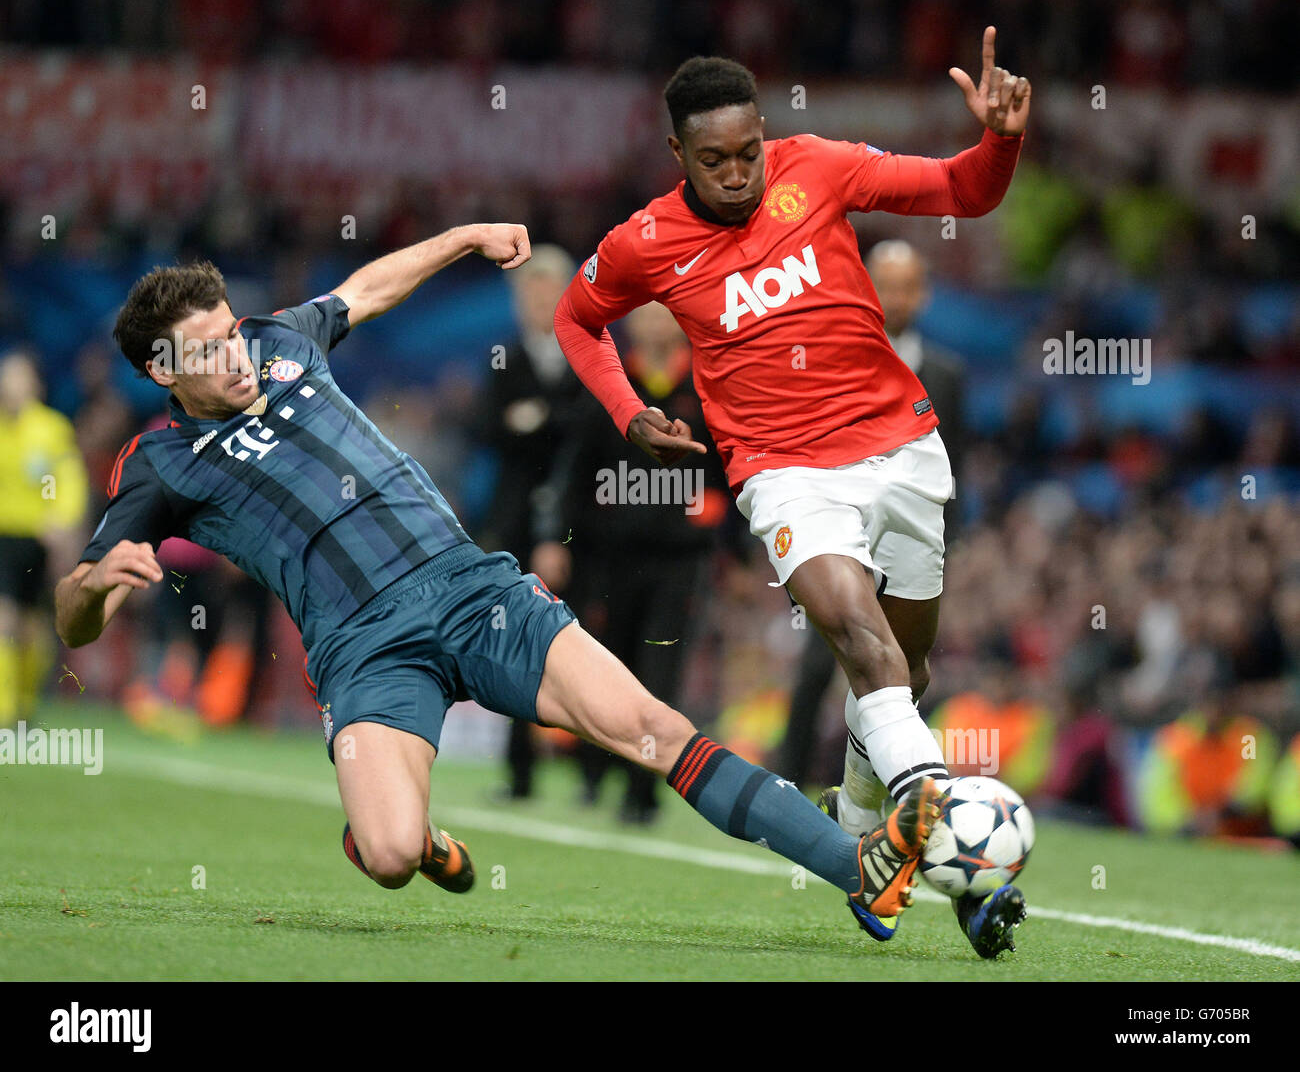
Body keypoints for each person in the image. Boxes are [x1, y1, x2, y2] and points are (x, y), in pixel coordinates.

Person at [53, 224, 942, 933]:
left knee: (654, 728)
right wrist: (95, 588)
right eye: (206, 352)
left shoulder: (280, 339)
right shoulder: (160, 466)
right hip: (364, 652)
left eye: (228, 331)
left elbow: (367, 288)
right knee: (393, 852)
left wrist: (461, 238)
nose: (234, 355)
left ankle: (853, 866)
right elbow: (72, 616)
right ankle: (410, 834)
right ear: (162, 372)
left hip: (474, 591)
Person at [553, 27, 1030, 956]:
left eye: (747, 152)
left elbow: (963, 191)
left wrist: (999, 140)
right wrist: (627, 410)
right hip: (783, 473)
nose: (736, 174)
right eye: (713, 159)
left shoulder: (821, 167)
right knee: (862, 642)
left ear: (767, 135)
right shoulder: (643, 242)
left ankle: (858, 835)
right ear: (677, 155)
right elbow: (578, 320)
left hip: (901, 448)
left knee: (903, 672)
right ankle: (943, 836)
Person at [777, 240, 968, 788]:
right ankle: (792, 777)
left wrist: (956, 537)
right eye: (884, 284)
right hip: (837, 530)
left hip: (912, 535)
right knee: (823, 663)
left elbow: (959, 464)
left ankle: (877, 788)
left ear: (924, 295)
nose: (895, 298)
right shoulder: (828, 361)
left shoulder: (947, 375)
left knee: (908, 669)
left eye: (907, 287)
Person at [532, 301, 730, 823]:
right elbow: (575, 468)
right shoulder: (610, 384)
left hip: (680, 562)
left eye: (663, 315)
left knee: (661, 672)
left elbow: (731, 466)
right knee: (604, 667)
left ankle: (643, 790)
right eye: (643, 316)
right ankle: (593, 775)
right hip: (609, 558)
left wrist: (726, 538)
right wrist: (556, 538)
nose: (653, 325)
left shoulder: (709, 384)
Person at [474, 244, 589, 801]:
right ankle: (520, 772)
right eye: (530, 291)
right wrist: (546, 422)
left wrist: (535, 419)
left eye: (548, 290)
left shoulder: (589, 353)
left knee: (589, 641)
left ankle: (595, 773)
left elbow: (589, 430)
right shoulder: (504, 356)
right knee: (516, 644)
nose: (538, 301)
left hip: (582, 521)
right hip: (514, 521)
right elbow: (487, 428)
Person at [0, 350, 89, 725]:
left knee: (33, 626)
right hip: (3, 536)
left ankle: (24, 702)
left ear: (34, 385)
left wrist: (60, 519)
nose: (9, 385)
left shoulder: (51, 430)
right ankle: (5, 710)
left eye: (17, 377)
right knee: (4, 619)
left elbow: (68, 481)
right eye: (6, 377)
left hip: (36, 541)